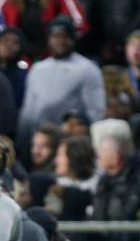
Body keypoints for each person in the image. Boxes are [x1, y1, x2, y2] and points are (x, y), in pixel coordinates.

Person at [16, 16, 105, 147]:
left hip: (69, 144)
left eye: (65, 36)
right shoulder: (37, 68)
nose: (60, 41)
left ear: (73, 38)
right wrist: (21, 143)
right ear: (48, 39)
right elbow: (27, 112)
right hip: (38, 143)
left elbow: (96, 113)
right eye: (55, 36)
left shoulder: (88, 69)